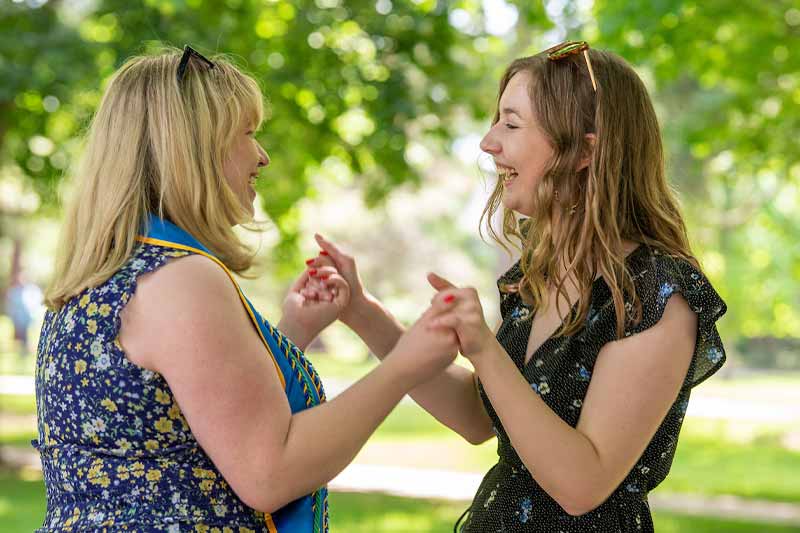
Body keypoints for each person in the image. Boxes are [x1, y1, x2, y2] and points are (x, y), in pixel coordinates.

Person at [303, 41, 727, 532]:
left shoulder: (656, 294)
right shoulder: (537, 274)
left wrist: (483, 346)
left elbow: (581, 484)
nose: (487, 142)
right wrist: (360, 311)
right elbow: (477, 416)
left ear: (585, 151)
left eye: (511, 123)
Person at [34, 46, 458, 532]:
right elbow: (268, 472)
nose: (263, 156)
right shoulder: (180, 279)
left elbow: (186, 418)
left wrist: (288, 335)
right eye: (248, 134)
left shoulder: (104, 275)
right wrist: (405, 367)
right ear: (195, 149)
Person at [5, 271, 43, 357]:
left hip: (26, 317)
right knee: (21, 334)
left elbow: (34, 303)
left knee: (26, 334)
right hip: (19, 317)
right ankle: (23, 350)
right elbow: (11, 304)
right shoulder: (15, 291)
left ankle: (26, 349)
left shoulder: (29, 290)